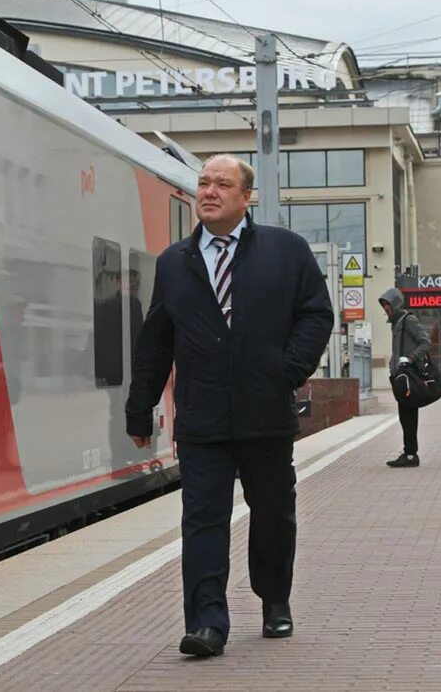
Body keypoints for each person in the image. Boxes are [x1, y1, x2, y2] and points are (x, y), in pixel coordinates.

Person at [126, 154, 333, 657]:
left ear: (247, 197)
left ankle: (274, 599)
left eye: (222, 184)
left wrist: (285, 373)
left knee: (273, 513)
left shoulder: (285, 251)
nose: (209, 192)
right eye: (203, 183)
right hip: (202, 417)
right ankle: (207, 622)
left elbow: (316, 315)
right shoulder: (175, 262)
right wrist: (140, 408)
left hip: (265, 415)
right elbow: (157, 340)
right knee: (202, 520)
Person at [379, 288, 432, 468]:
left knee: (408, 416)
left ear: (395, 303)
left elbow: (425, 342)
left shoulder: (409, 320)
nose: (385, 308)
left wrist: (410, 358)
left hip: (409, 375)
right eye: (384, 305)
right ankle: (409, 452)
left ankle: (411, 454)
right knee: (405, 416)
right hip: (400, 376)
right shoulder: (396, 323)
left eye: (387, 304)